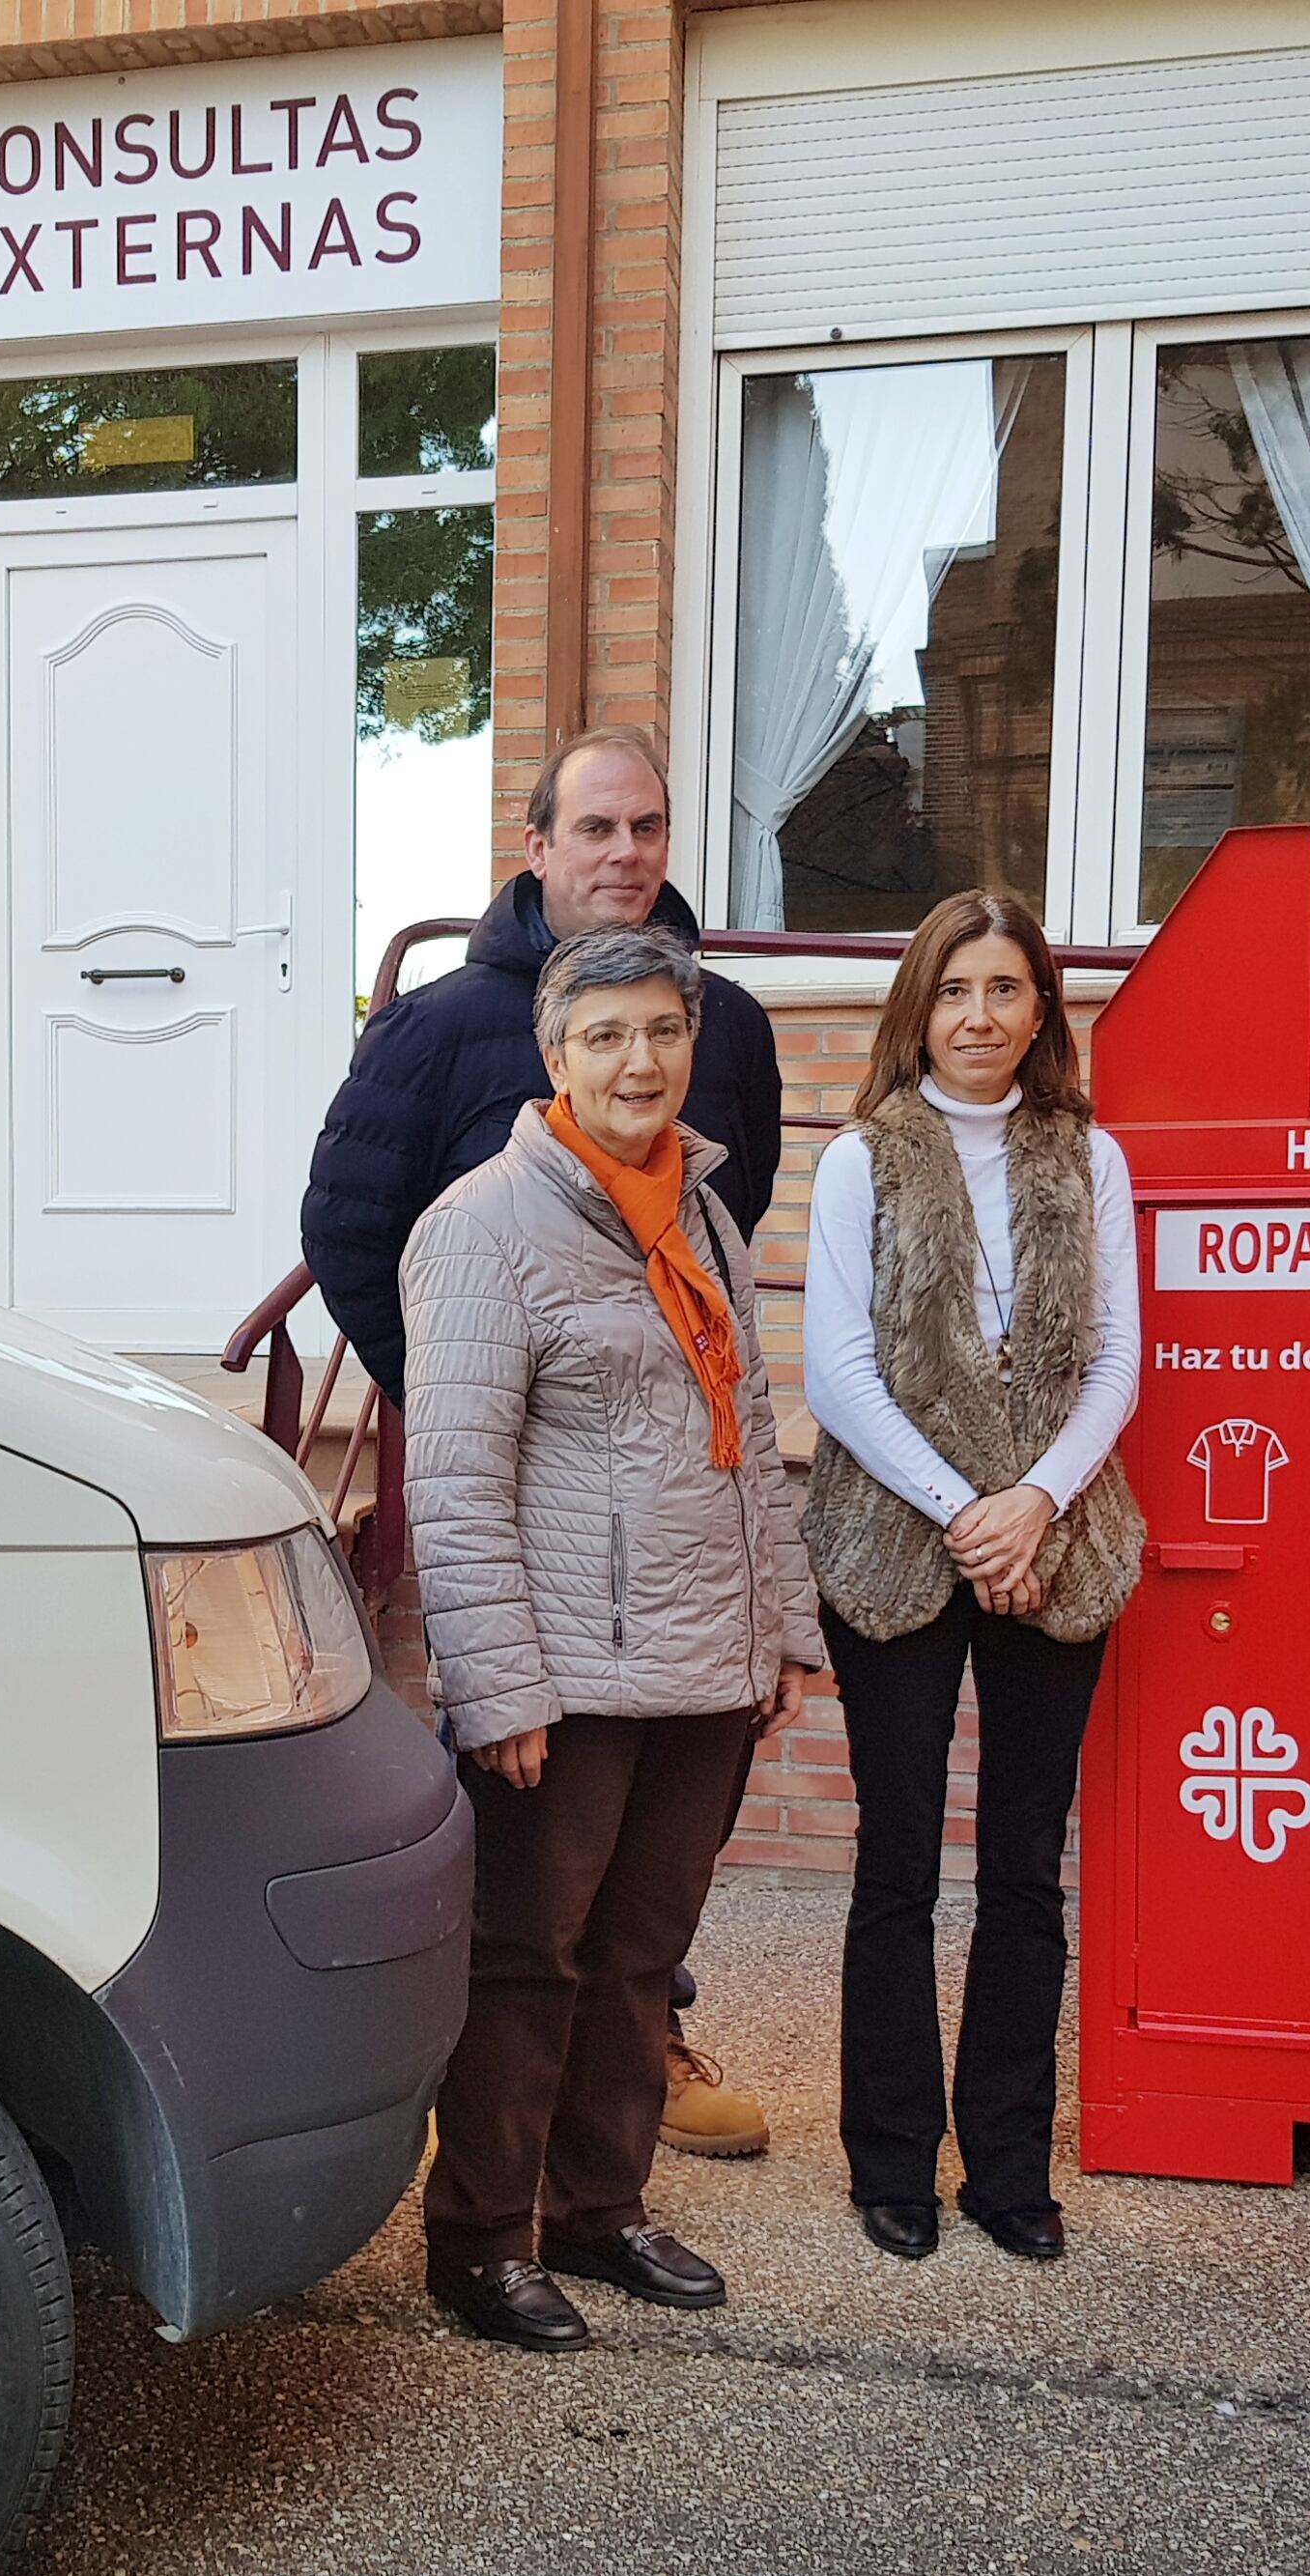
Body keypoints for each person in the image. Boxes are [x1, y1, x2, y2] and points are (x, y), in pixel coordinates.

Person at [301, 725, 784, 2162]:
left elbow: (718, 1248)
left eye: (647, 827)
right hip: (526, 1537)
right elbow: (345, 1230)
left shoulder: (730, 1028)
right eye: (595, 830)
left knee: (639, 1904)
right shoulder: (439, 1024)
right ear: (535, 847)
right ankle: (497, 2198)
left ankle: (615, 2137)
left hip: (670, 1551)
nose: (625, 855)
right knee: (534, 1904)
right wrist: (470, 1402)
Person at [399, 931, 826, 2350]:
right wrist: (495, 1687)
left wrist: (780, 1629)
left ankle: (598, 2210)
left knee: (643, 1956)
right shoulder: (479, 1225)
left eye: (660, 1030)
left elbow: (747, 1431)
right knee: (529, 1959)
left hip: (703, 1661)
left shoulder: (698, 1208)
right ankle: (477, 2238)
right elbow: (452, 1480)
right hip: (566, 1676)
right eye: (605, 1037)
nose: (637, 1061)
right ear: (552, 1054)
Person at [798, 888, 1146, 2265]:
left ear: (1039, 1011)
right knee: (895, 1868)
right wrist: (965, 1511)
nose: (978, 1018)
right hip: (894, 1545)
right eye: (954, 991)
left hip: (1056, 1541)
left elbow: (1118, 1356)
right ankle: (889, 2163)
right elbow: (836, 1372)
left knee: (1022, 1873)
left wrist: (1036, 1501)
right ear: (917, 1009)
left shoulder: (1086, 1156)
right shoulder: (859, 1159)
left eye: (1004, 991)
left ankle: (1006, 2167)